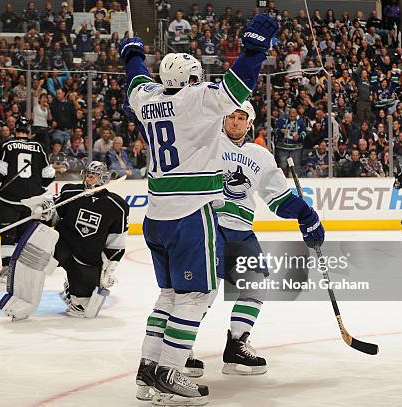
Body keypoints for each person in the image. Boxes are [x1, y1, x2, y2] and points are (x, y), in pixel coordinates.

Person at [121, 12, 279, 406]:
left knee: (169, 295)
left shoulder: (145, 99)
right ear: (191, 80)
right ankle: (171, 373)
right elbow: (237, 85)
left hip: (155, 216)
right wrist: (254, 49)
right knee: (195, 295)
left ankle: (149, 366)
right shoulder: (197, 100)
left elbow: (136, 77)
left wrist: (131, 55)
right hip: (191, 214)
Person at [214, 101, 324, 375]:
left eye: (242, 118)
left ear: (249, 123)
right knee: (199, 292)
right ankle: (180, 351)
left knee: (256, 283)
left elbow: (279, 200)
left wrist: (307, 215)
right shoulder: (207, 144)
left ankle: (237, 344)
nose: (236, 122)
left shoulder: (260, 156)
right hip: (208, 226)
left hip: (240, 230)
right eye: (231, 116)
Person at [0, 117, 56, 281]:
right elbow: (50, 175)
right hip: (31, 203)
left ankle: (8, 268)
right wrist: (37, 187)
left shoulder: (7, 145)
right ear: (29, 132)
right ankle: (20, 270)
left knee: (8, 236)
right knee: (24, 236)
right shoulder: (38, 147)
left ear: (16, 130)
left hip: (9, 201)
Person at [53, 161, 129, 316]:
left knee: (82, 309)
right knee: (36, 248)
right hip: (62, 246)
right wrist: (45, 211)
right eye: (87, 175)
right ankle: (21, 295)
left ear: (102, 178)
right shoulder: (70, 193)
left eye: (93, 176)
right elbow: (54, 214)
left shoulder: (117, 206)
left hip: (87, 258)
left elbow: (117, 240)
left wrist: (109, 268)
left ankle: (72, 287)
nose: (88, 178)